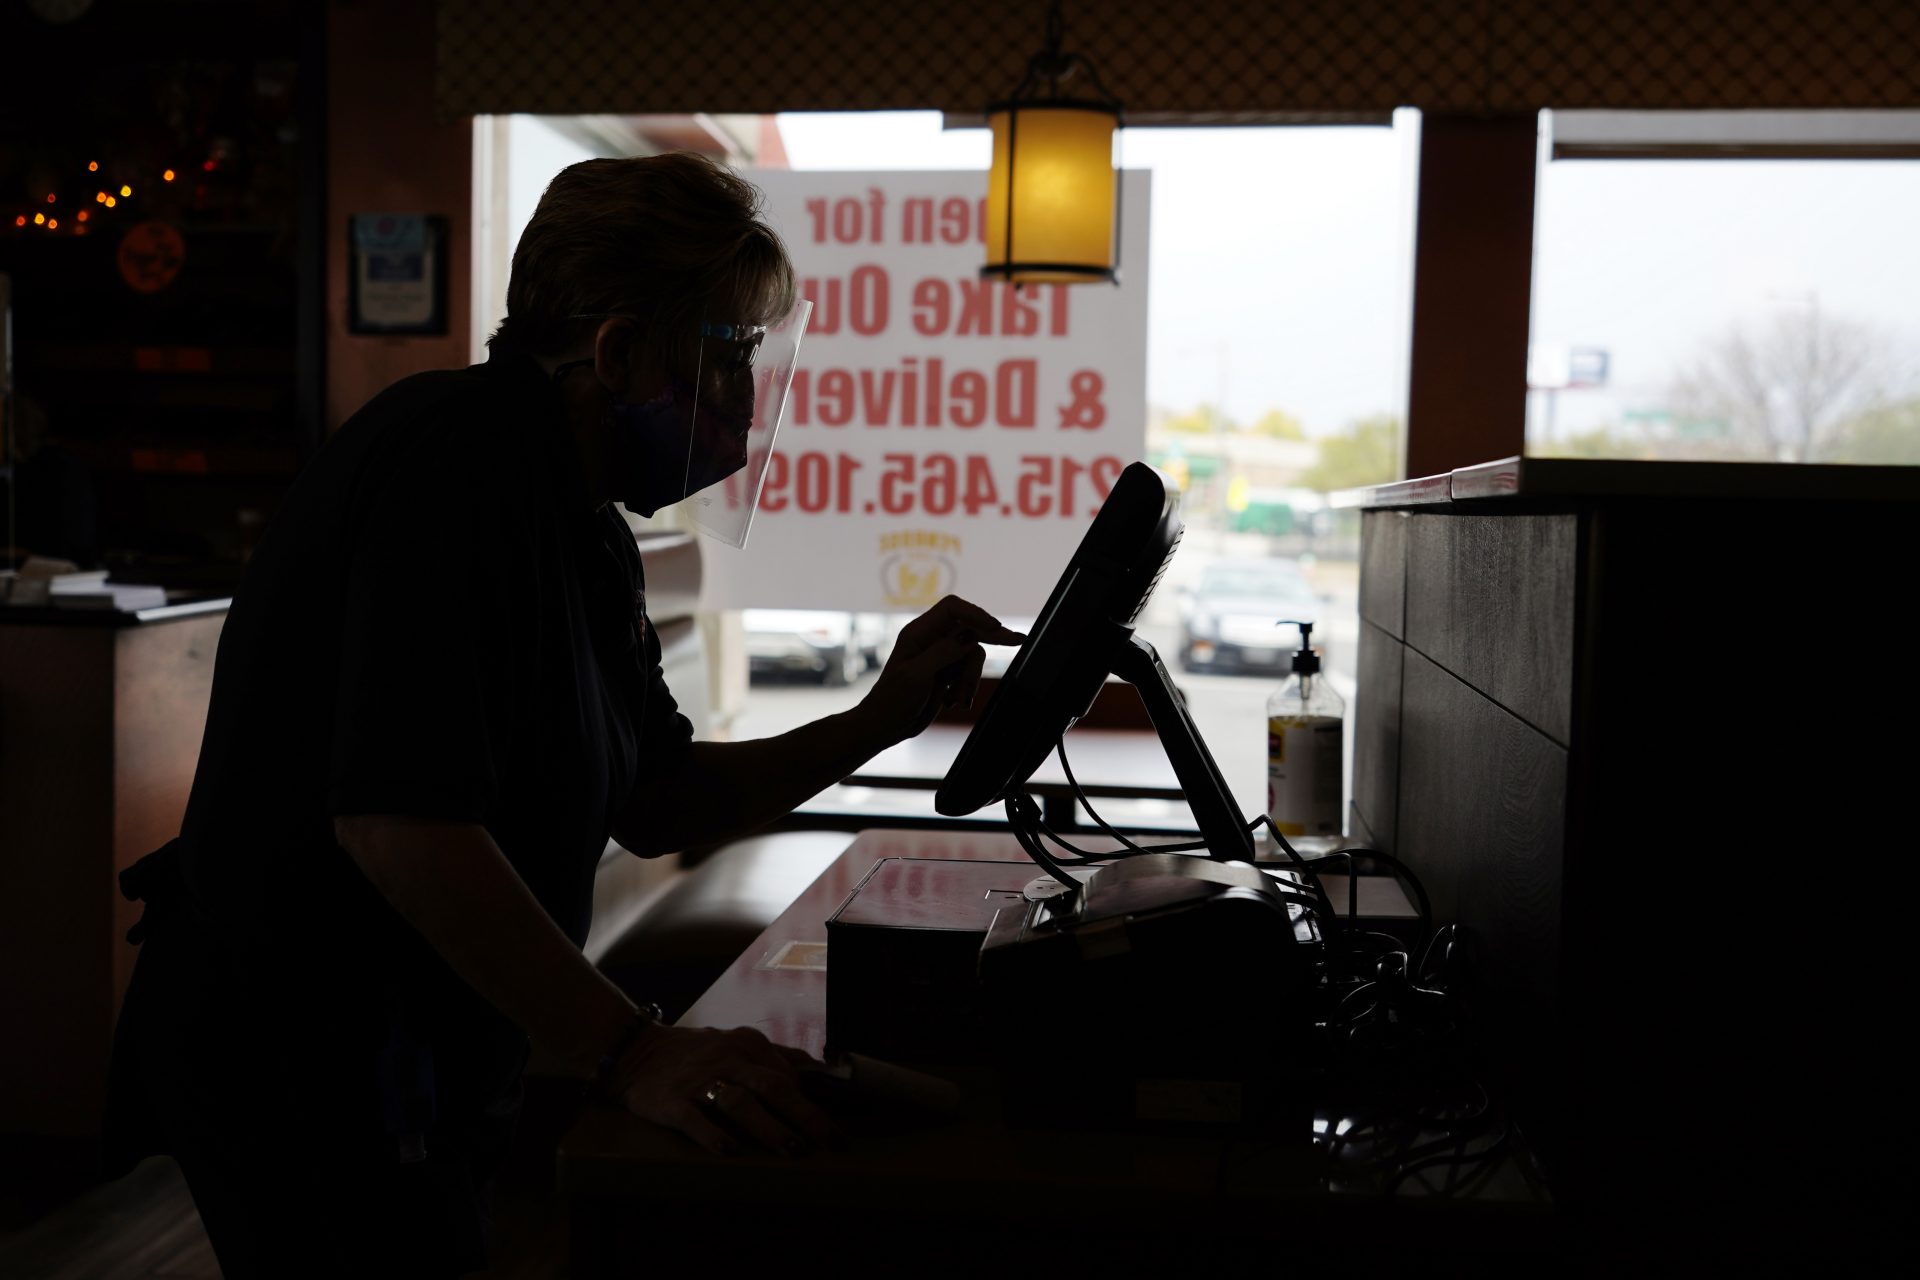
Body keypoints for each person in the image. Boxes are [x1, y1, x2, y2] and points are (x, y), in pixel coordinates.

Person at [103, 152, 1023, 1277]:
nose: (743, 396)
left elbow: (658, 797)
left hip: (408, 1039)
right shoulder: (454, 461)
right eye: (729, 354)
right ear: (621, 350)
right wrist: (635, 1051)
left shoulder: (581, 518)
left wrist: (881, 715)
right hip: (303, 1035)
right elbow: (400, 822)